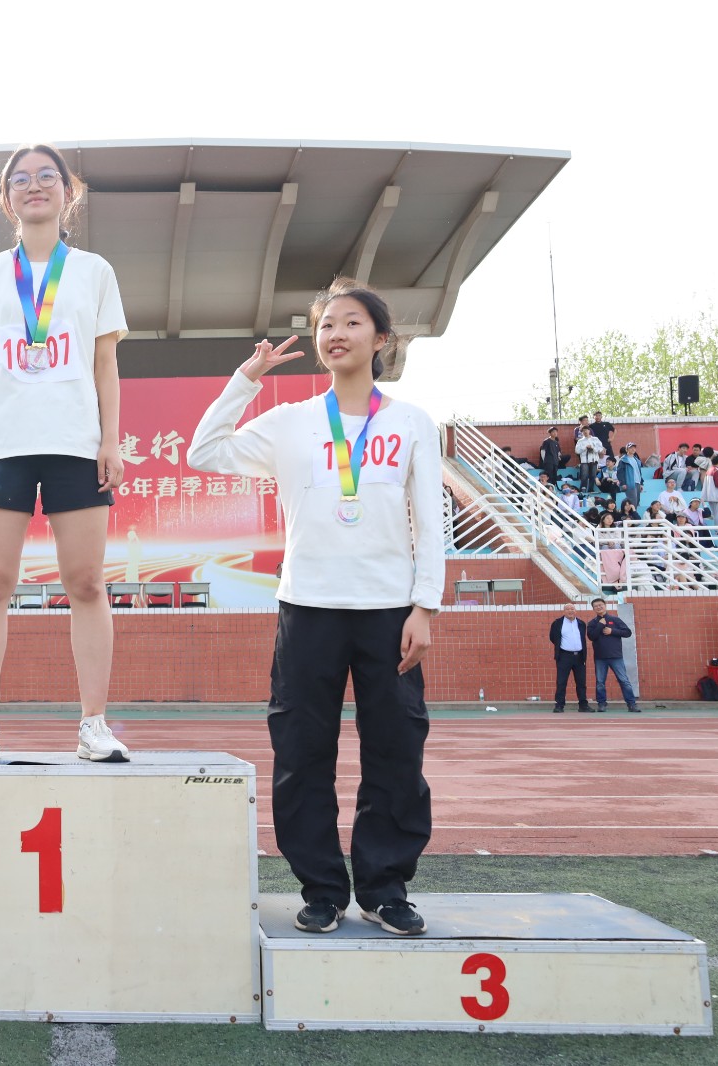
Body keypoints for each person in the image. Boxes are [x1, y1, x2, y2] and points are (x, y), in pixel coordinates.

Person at [188, 277, 442, 937]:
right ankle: (322, 889)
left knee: (396, 751)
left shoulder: (411, 422)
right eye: (327, 324)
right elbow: (203, 451)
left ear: (380, 338)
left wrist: (425, 607)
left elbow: (429, 520)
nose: (336, 334)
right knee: (302, 752)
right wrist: (246, 379)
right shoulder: (291, 422)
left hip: (390, 611)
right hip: (307, 608)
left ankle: (385, 888)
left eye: (352, 322)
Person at [0, 144, 129, 766]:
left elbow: (106, 363)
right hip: (3, 445)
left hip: (76, 443)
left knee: (86, 583)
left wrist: (109, 439)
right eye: (20, 179)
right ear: (7, 199)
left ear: (67, 192)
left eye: (47, 176)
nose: (35, 186)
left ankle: (94, 723)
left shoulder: (94, 271)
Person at [586, 598, 638, 712]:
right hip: (600, 658)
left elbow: (627, 632)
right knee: (600, 682)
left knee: (624, 680)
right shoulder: (592, 623)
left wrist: (612, 631)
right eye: (596, 606)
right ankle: (601, 704)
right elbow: (591, 637)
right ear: (593, 609)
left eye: (600, 605)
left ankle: (631, 704)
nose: (599, 607)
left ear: (605, 605)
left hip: (616, 657)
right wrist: (600, 625)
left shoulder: (615, 620)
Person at [548, 603, 592, 712]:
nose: (570, 611)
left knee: (581, 682)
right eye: (567, 609)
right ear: (564, 611)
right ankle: (559, 705)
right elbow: (553, 638)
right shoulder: (557, 623)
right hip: (564, 656)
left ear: (575, 611)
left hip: (579, 656)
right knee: (561, 682)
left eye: (572, 608)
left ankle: (583, 705)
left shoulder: (581, 623)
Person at [575, 425, 602, 493]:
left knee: (593, 476)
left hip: (594, 460)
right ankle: (582, 489)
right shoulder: (580, 441)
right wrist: (585, 448)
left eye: (586, 430)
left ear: (589, 430)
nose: (585, 432)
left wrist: (593, 448)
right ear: (582, 432)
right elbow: (577, 451)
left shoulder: (595, 439)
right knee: (584, 476)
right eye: (583, 431)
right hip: (584, 461)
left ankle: (591, 489)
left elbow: (600, 448)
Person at [617, 442, 642, 508]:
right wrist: (623, 483)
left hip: (637, 482)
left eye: (634, 448)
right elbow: (620, 473)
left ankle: (631, 512)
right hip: (629, 483)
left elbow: (639, 472)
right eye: (631, 448)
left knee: (637, 501)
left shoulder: (637, 460)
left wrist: (641, 483)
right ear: (627, 449)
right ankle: (632, 513)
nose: (633, 449)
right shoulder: (623, 460)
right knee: (633, 501)